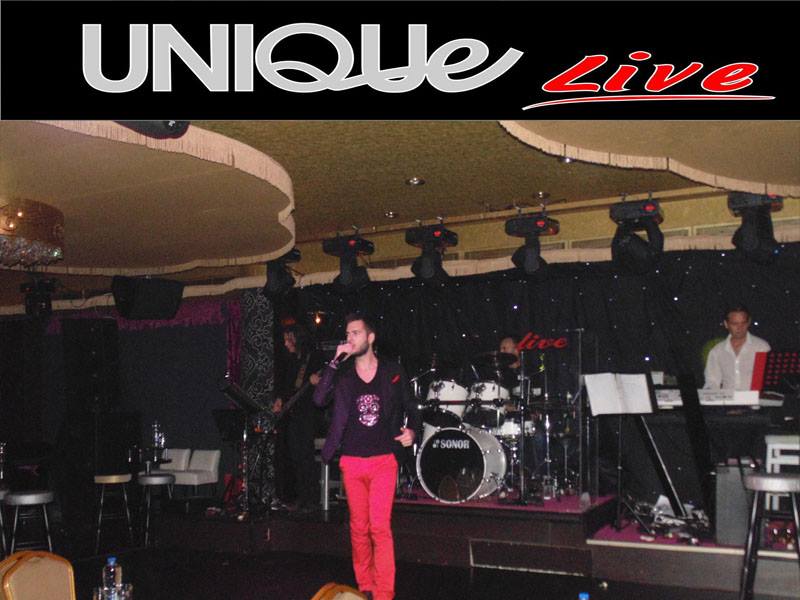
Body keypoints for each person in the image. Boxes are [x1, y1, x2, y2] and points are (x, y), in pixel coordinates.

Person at [313, 313, 420, 600]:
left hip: (384, 459)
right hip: (352, 460)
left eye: (356, 333)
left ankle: (384, 593)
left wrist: (413, 431)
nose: (350, 338)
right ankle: (366, 586)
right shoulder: (343, 375)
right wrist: (334, 362)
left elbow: (412, 407)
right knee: (359, 528)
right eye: (347, 334)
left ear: (370, 338)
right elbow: (319, 399)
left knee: (380, 528)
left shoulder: (392, 371)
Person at [273, 324, 324, 512]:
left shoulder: (313, 357)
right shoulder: (291, 361)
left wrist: (317, 382)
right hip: (293, 414)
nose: (286, 344)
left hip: (309, 414)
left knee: (306, 456)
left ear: (297, 338)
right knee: (295, 456)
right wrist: (280, 399)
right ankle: (301, 497)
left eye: (289, 339)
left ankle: (312, 499)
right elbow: (286, 386)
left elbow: (326, 383)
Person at [704, 304, 771, 391]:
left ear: (748, 322)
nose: (740, 328)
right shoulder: (717, 351)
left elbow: (765, 381)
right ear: (726, 324)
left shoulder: (761, 347)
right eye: (735, 324)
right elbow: (712, 381)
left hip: (754, 399)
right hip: (727, 399)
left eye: (743, 323)